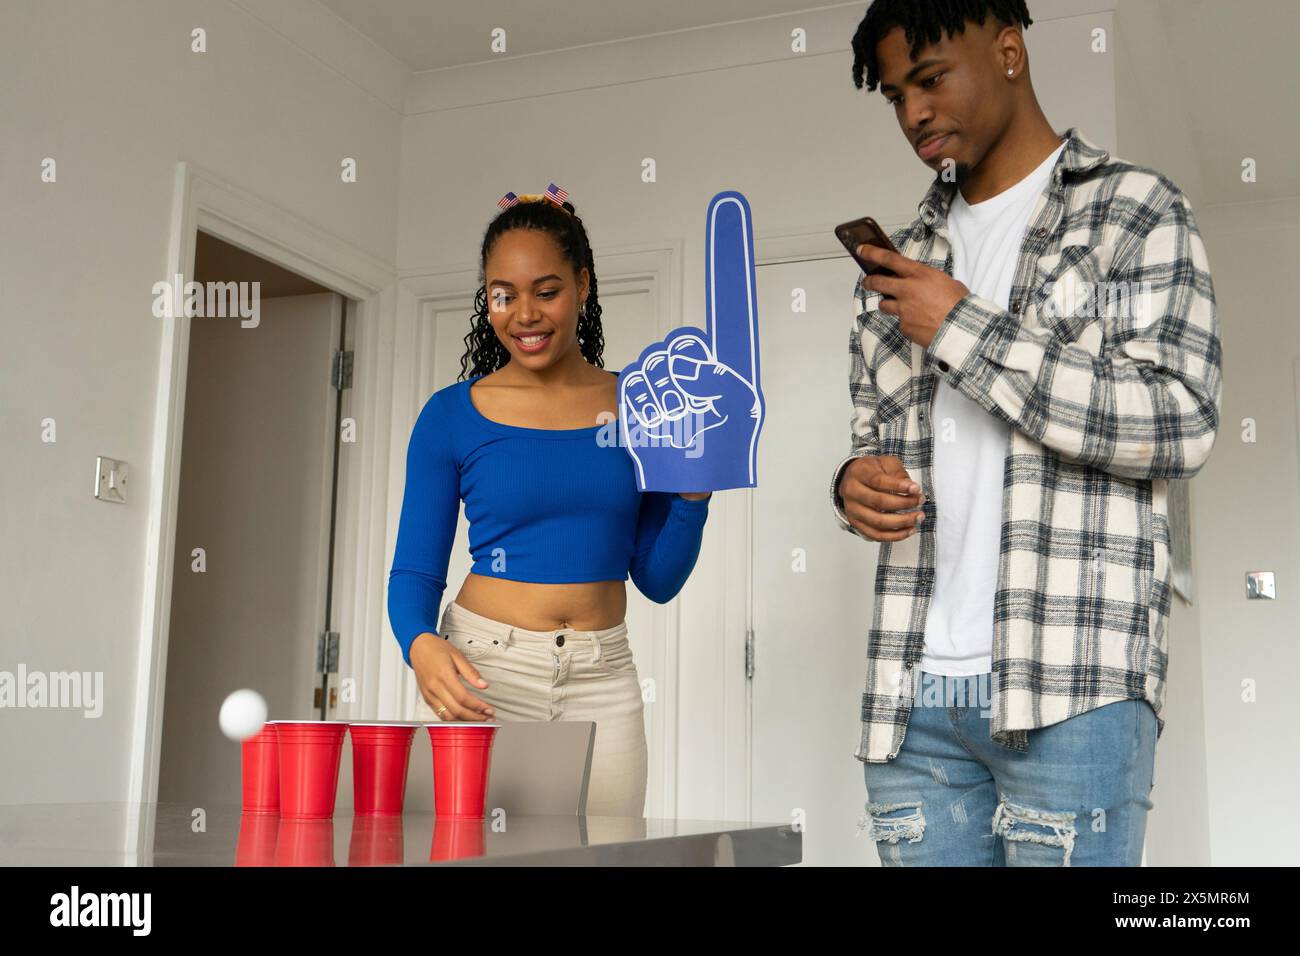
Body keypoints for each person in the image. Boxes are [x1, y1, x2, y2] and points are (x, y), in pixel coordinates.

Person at [831, 0, 1222, 865]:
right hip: (913, 699)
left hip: (1072, 688)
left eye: (929, 80)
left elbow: (1179, 420)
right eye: (896, 95)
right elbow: (875, 435)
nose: (914, 114)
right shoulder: (898, 263)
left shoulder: (1135, 212)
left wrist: (964, 326)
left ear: (1009, 51)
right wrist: (851, 487)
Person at [387, 185, 712, 817]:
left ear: (582, 285)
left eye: (547, 290)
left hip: (604, 676)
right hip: (484, 673)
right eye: (504, 295)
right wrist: (420, 643)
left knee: (609, 861)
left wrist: (692, 496)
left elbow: (658, 579)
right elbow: (416, 569)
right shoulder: (451, 416)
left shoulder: (638, 404)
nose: (524, 314)